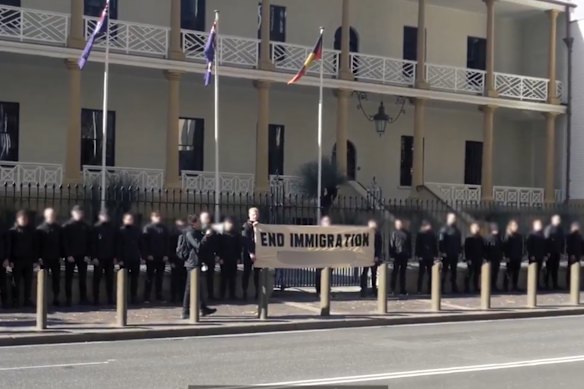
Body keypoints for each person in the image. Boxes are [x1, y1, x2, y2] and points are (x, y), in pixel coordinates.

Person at [181, 214, 216, 318]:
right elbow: (198, 246)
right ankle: (185, 311)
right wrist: (206, 237)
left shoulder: (197, 232)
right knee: (189, 288)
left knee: (199, 287)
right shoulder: (190, 233)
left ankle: (203, 308)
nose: (201, 224)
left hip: (198, 262)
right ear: (194, 223)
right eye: (199, 222)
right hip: (192, 263)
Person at [6, 210, 38, 307]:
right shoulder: (12, 231)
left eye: (25, 219)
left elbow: (35, 246)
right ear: (18, 219)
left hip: (28, 260)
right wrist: (9, 260)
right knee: (16, 282)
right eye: (22, 218)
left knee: (28, 282)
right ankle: (15, 300)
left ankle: (27, 300)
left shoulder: (32, 231)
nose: (24, 220)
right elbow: (9, 246)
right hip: (16, 260)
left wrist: (35, 260)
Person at [62, 205, 91, 306]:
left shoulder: (86, 226)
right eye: (77, 213)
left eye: (80, 213)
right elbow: (65, 242)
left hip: (83, 256)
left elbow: (89, 242)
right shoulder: (67, 226)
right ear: (72, 213)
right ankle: (68, 299)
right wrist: (68, 254)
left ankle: (83, 298)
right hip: (71, 256)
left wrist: (88, 254)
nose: (79, 215)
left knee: (82, 278)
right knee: (68, 278)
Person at [37, 208, 63, 306]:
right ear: (45, 216)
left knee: (56, 278)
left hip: (55, 258)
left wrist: (62, 256)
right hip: (44, 259)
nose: (51, 217)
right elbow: (37, 245)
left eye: (52, 215)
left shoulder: (59, 228)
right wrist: (38, 258)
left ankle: (56, 298)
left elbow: (62, 243)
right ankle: (42, 298)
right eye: (49, 215)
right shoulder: (40, 229)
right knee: (43, 278)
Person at [142, 211, 169, 303]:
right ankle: (146, 297)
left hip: (161, 256)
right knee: (149, 277)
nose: (158, 218)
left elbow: (167, 242)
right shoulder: (148, 228)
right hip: (151, 257)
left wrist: (166, 254)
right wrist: (147, 254)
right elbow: (144, 243)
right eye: (156, 217)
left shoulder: (164, 228)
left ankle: (159, 296)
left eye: (159, 217)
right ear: (152, 218)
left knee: (159, 277)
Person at [91, 210, 117, 305]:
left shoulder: (112, 228)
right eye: (103, 216)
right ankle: (96, 299)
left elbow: (115, 243)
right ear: (100, 216)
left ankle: (110, 298)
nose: (105, 217)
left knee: (109, 279)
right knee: (96, 279)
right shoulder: (95, 228)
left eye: (106, 216)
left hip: (110, 257)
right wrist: (93, 257)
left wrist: (115, 256)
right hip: (98, 258)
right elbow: (92, 244)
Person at [117, 213, 143, 304]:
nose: (129, 221)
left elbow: (141, 244)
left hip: (135, 257)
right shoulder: (120, 231)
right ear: (124, 220)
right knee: (123, 279)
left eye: (131, 219)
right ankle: (122, 297)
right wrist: (119, 259)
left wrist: (141, 256)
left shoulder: (137, 230)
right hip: (124, 258)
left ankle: (133, 297)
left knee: (134, 279)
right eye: (128, 219)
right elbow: (118, 246)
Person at [218, 217, 242, 300]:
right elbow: (219, 248)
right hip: (224, 259)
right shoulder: (221, 235)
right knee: (223, 278)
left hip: (233, 258)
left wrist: (238, 257)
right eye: (228, 223)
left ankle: (232, 294)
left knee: (233, 278)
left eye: (231, 223)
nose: (229, 225)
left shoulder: (236, 234)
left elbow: (238, 247)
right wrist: (220, 257)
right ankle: (222, 295)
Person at [439, 213, 462, 293]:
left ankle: (454, 287)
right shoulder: (444, 229)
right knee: (444, 271)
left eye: (454, 218)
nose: (453, 220)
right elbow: (441, 242)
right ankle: (441, 287)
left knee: (454, 271)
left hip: (454, 253)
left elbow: (459, 242)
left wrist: (459, 251)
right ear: (448, 219)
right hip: (446, 254)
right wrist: (443, 251)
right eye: (452, 218)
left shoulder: (457, 230)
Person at [199, 211, 219, 300]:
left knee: (210, 277)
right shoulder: (199, 229)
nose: (206, 220)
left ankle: (211, 295)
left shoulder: (213, 230)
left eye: (207, 218)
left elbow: (217, 243)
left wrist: (217, 254)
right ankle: (200, 295)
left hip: (210, 256)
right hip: (200, 256)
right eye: (204, 218)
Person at [360, 219, 382, 297]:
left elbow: (379, 247)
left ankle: (374, 289)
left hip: (374, 257)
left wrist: (377, 256)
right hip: (366, 256)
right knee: (364, 273)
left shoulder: (378, 235)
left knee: (373, 274)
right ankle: (363, 289)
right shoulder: (365, 234)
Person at [415, 220, 438, 294]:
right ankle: (419, 289)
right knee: (421, 273)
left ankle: (430, 289)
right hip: (422, 256)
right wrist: (418, 255)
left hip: (430, 256)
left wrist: (435, 255)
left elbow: (434, 245)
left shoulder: (432, 234)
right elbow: (417, 245)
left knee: (431, 273)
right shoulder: (420, 234)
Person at [390, 219, 411, 296]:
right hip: (396, 255)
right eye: (397, 224)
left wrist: (409, 255)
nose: (399, 225)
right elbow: (391, 244)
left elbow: (409, 244)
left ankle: (403, 290)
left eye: (400, 224)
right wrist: (392, 255)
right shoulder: (394, 233)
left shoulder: (407, 233)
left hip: (404, 255)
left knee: (403, 273)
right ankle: (392, 289)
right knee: (394, 273)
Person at [242, 207, 260, 300]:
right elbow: (246, 241)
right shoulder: (246, 226)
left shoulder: (260, 225)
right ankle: (244, 291)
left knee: (258, 274)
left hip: (258, 253)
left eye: (256, 214)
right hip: (248, 253)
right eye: (253, 214)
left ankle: (258, 292)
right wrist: (250, 253)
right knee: (247, 273)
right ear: (249, 215)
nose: (255, 216)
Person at [169, 219, 187, 304]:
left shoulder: (186, 236)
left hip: (184, 261)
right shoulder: (173, 236)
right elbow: (170, 249)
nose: (181, 228)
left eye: (182, 226)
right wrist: (171, 261)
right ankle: (173, 297)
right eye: (179, 226)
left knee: (183, 281)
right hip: (175, 261)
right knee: (174, 281)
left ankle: (182, 297)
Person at [503, 220, 524, 292]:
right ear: (510, 227)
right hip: (510, 257)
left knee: (516, 273)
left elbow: (521, 246)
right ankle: (505, 286)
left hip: (517, 257)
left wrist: (521, 255)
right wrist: (507, 256)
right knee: (508, 272)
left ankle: (515, 286)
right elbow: (506, 247)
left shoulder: (519, 236)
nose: (515, 227)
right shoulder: (508, 236)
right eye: (513, 226)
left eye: (516, 226)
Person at [544, 214, 565, 290]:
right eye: (557, 219)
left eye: (559, 219)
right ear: (553, 220)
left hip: (557, 252)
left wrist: (562, 251)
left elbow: (562, 241)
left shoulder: (560, 229)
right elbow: (546, 241)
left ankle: (555, 285)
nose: (558, 221)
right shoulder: (549, 229)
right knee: (548, 269)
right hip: (550, 253)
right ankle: (546, 285)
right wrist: (546, 252)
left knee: (555, 269)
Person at [464, 222, 484, 294]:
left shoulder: (480, 238)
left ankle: (476, 287)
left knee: (477, 273)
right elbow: (466, 249)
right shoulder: (469, 238)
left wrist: (483, 257)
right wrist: (467, 259)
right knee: (470, 272)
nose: (476, 229)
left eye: (477, 228)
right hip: (471, 258)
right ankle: (466, 287)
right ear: (471, 229)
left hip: (478, 258)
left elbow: (482, 248)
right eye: (475, 228)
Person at [526, 219, 546, 290]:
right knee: (533, 272)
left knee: (538, 271)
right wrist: (531, 255)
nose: (539, 226)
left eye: (540, 224)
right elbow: (529, 246)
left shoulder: (542, 234)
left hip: (540, 256)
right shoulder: (531, 234)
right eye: (538, 225)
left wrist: (544, 255)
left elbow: (544, 245)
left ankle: (537, 285)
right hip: (533, 256)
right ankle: (532, 285)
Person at [315, 215, 332, 296]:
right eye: (325, 222)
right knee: (319, 274)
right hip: (320, 257)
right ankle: (319, 291)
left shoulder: (332, 233)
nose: (327, 223)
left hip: (329, 257)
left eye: (328, 222)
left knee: (328, 274)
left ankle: (326, 290)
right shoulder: (318, 233)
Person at [484, 223, 503, 292]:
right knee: (490, 273)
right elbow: (485, 249)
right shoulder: (488, 238)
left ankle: (493, 286)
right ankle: (489, 286)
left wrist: (501, 256)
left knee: (495, 273)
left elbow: (501, 248)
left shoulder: (499, 238)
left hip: (497, 258)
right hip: (490, 259)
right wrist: (486, 258)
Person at [566, 221, 583, 290]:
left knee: (576, 270)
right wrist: (571, 254)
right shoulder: (570, 236)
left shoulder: (579, 236)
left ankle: (574, 284)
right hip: (572, 255)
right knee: (570, 271)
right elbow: (569, 246)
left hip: (578, 255)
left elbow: (582, 245)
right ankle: (569, 285)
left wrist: (582, 254)